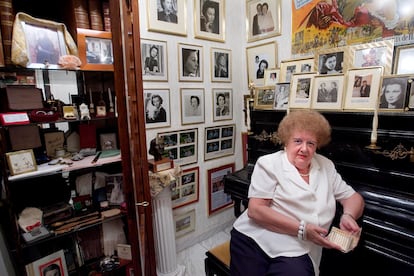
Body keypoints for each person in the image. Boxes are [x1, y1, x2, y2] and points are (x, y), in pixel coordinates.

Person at [230, 109, 365, 276]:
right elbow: (255, 210)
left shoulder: (325, 165)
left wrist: (349, 215)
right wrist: (302, 229)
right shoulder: (269, 163)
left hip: (298, 247)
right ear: (286, 141)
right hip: (255, 238)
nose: (304, 149)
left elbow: (353, 197)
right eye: (298, 141)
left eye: (311, 143)